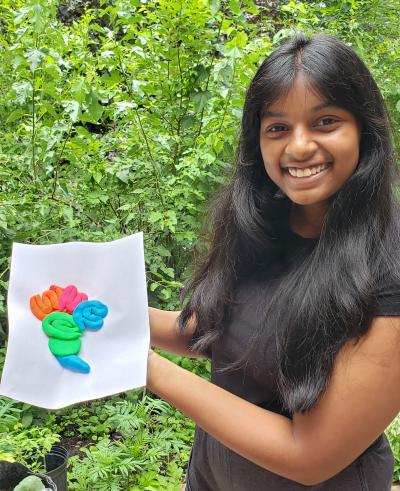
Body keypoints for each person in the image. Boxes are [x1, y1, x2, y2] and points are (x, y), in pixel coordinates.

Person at [147, 32, 400, 490]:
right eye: (278, 128)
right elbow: (211, 332)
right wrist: (114, 320)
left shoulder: (389, 259)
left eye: (325, 121)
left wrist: (145, 369)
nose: (299, 147)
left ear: (364, 129)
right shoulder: (263, 223)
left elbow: (311, 457)